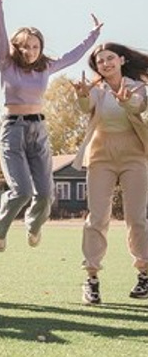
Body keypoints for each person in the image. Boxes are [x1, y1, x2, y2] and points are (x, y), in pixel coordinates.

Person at [0, 0, 100, 252]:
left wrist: (93, 35)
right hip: (12, 131)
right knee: (22, 191)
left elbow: (73, 56)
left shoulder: (46, 67)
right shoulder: (7, 64)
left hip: (38, 130)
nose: (30, 50)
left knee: (46, 193)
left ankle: (34, 225)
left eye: (35, 46)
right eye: (25, 46)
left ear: (41, 48)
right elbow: (0, 34)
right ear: (17, 48)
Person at [72, 42, 148, 305]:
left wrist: (127, 101)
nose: (105, 63)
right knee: (97, 218)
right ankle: (91, 279)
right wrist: (82, 96)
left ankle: (144, 273)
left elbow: (138, 106)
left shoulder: (136, 86)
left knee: (136, 217)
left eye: (110, 58)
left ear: (122, 60)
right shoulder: (96, 88)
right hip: (101, 156)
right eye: (100, 61)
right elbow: (85, 107)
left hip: (134, 155)